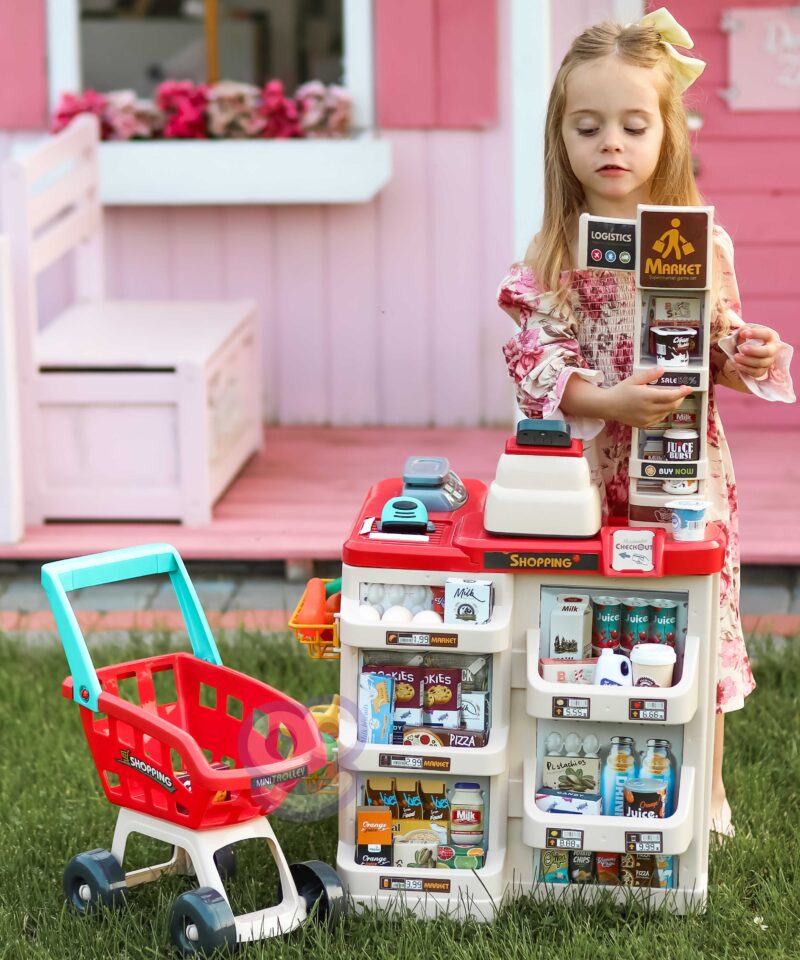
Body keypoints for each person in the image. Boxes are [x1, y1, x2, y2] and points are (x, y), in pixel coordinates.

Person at [497, 8, 795, 837]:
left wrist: (751, 352)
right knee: (589, 614)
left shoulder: (700, 245)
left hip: (684, 468)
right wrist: (603, 401)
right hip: (589, 474)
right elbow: (534, 361)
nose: (611, 145)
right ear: (560, 135)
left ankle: (707, 792)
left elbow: (720, 346)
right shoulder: (553, 251)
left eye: (634, 124)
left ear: (669, 133)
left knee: (694, 614)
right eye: (588, 126)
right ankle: (582, 770)